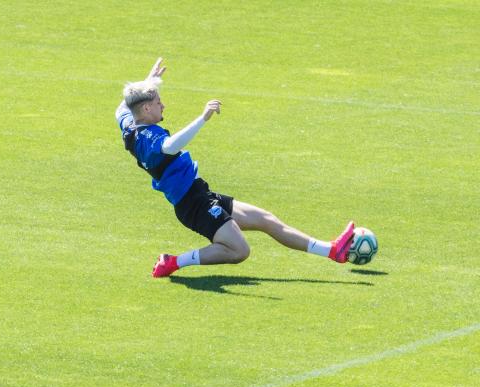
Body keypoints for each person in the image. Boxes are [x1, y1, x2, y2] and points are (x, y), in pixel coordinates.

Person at [116, 58, 355, 277]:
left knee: (266, 220)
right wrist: (203, 118)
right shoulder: (149, 140)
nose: (163, 106)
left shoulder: (130, 126)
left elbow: (122, 109)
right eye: (158, 103)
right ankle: (174, 262)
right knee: (239, 250)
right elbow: (170, 145)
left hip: (200, 194)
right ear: (146, 109)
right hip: (194, 205)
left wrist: (148, 82)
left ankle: (333, 251)